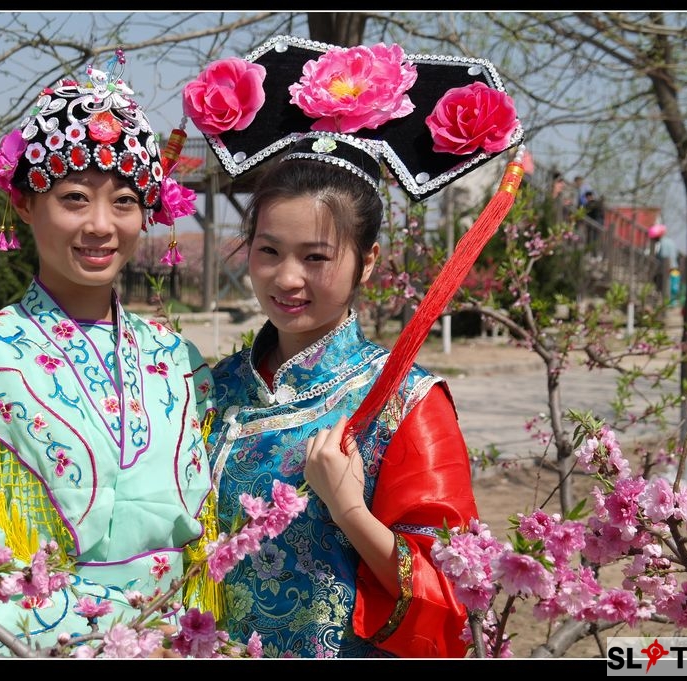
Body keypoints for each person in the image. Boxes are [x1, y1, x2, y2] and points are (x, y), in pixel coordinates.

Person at [184, 34, 523, 657]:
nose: (288, 279)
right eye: (269, 252)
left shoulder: (408, 403)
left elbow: (453, 600)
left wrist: (350, 510)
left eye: (317, 257)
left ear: (367, 263)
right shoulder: (212, 390)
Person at [0, 52, 216, 654]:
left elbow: (208, 552)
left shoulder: (179, 361)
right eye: (73, 198)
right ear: (24, 204)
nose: (100, 225)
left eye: (123, 201)